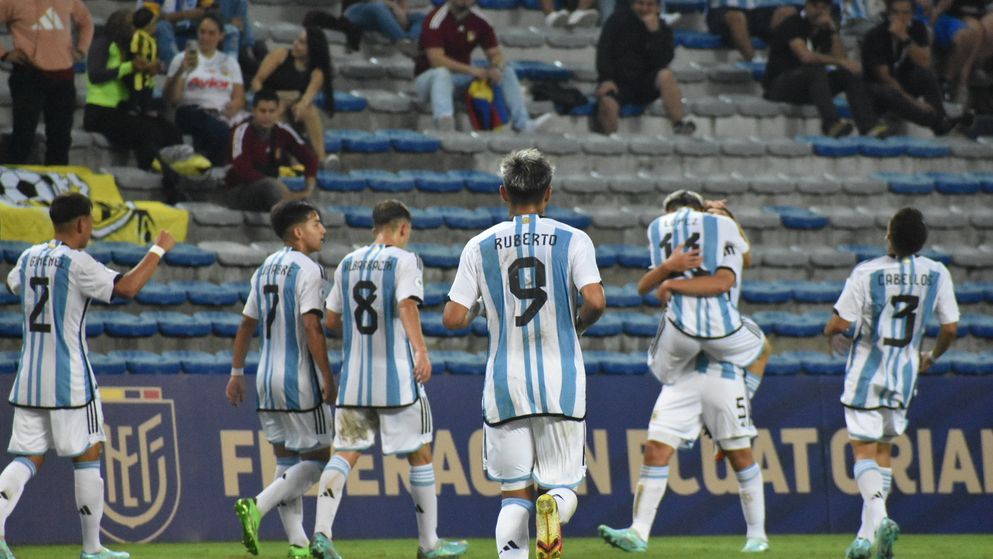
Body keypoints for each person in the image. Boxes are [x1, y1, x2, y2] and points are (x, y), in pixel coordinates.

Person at [442, 149, 606, 559]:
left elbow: (453, 317)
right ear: (548, 193)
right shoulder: (573, 239)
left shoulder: (479, 246)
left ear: (503, 193)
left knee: (513, 494)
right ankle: (553, 507)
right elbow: (596, 300)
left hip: (505, 385)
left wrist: (484, 307)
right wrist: (576, 325)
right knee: (560, 487)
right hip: (561, 382)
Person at [0, 192, 175, 559]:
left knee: (27, 458)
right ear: (82, 223)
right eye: (91, 221)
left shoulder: (29, 256)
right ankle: (92, 548)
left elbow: (11, 284)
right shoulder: (77, 263)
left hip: (29, 379)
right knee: (87, 454)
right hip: (71, 381)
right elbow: (127, 287)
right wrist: (158, 250)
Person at [598, 195, 770, 554]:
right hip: (683, 373)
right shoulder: (674, 251)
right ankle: (638, 533)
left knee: (740, 453)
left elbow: (739, 264)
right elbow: (644, 286)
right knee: (657, 448)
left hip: (721, 368)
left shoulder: (720, 241)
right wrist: (669, 269)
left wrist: (728, 218)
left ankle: (757, 535)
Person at [309, 200, 469, 559]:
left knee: (344, 453)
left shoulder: (347, 263)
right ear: (402, 229)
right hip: (398, 379)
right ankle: (429, 544)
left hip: (354, 382)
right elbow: (407, 305)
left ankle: (320, 533)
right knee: (420, 453)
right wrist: (421, 351)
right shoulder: (405, 259)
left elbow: (331, 321)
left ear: (374, 227)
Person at [823, 207, 959, 559]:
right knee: (882, 452)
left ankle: (881, 518)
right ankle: (865, 540)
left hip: (867, 375)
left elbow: (838, 324)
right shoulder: (936, 272)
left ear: (889, 236)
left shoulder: (867, 273)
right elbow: (951, 328)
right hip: (904, 376)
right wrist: (932, 356)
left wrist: (832, 333)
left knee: (863, 451)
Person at [227, 200, 337, 559]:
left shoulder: (265, 268)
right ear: (297, 232)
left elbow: (246, 324)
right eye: (316, 223)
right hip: (299, 380)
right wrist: (326, 374)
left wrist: (236, 373)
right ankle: (257, 506)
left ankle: (298, 544)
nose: (323, 229)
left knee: (287, 459)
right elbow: (311, 325)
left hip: (265, 379)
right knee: (321, 457)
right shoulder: (310, 269)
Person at [414, 0, 552, 132]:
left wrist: (496, 69)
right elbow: (436, 60)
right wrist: (473, 71)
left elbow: (496, 55)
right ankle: (444, 122)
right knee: (441, 73)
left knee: (506, 70)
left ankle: (522, 124)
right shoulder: (435, 19)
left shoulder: (480, 21)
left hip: (461, 80)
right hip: (428, 80)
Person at [763, 0, 887, 137]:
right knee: (815, 69)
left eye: (824, 7)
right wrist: (840, 61)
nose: (819, 11)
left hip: (807, 87)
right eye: (815, 6)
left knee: (848, 73)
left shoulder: (824, 29)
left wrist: (833, 31)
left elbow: (842, 59)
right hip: (779, 86)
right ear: (807, 6)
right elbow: (805, 56)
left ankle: (868, 126)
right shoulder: (793, 23)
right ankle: (831, 124)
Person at [84, 9, 184, 171]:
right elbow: (95, 75)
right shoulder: (103, 43)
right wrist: (130, 67)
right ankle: (154, 170)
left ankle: (178, 169)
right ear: (119, 26)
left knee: (169, 129)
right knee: (148, 132)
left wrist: (149, 74)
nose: (135, 29)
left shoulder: (129, 50)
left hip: (121, 109)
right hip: (99, 111)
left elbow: (136, 88)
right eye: (131, 24)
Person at [0, 0, 93, 166]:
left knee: (61, 139)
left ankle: (57, 186)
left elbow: (86, 21)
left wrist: (81, 49)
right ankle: (11, 184)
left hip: (63, 77)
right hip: (28, 75)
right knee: (23, 136)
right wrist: (4, 55)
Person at [595, 0, 696, 135]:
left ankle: (678, 124)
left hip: (645, 82)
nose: (644, 8)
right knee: (607, 103)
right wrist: (606, 78)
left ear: (657, 8)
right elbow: (604, 51)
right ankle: (610, 141)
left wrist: (654, 33)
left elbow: (663, 60)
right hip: (619, 83)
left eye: (649, 5)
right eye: (640, 4)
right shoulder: (616, 21)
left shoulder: (662, 28)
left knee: (666, 76)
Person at [862, 0, 961, 135]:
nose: (900, 17)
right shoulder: (875, 35)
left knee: (926, 75)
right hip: (878, 89)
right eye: (895, 13)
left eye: (905, 13)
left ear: (912, 14)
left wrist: (904, 38)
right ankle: (934, 119)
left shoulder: (918, 28)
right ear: (888, 13)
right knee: (892, 94)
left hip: (902, 82)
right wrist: (914, 103)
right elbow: (885, 78)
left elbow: (925, 61)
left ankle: (939, 122)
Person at [165, 13, 246, 165]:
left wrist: (235, 105)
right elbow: (173, 99)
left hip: (222, 113)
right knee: (219, 130)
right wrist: (182, 71)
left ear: (221, 36)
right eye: (202, 32)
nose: (205, 37)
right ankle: (213, 168)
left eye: (211, 33)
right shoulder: (181, 59)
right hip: (192, 111)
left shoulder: (230, 62)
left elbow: (239, 97)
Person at [251, 27, 336, 166]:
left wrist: (300, 105)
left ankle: (322, 158)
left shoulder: (317, 71)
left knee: (309, 109)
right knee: (278, 109)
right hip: (270, 105)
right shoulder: (281, 54)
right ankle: (293, 161)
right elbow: (257, 81)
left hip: (295, 112)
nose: (295, 44)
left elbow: (308, 96)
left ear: (313, 49)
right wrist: (269, 101)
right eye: (297, 40)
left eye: (302, 43)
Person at [222, 89, 318, 212]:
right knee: (271, 187)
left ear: (278, 112)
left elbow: (309, 158)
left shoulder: (283, 131)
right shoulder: (242, 131)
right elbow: (242, 168)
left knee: (307, 205)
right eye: (262, 111)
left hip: (272, 190)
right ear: (254, 111)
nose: (267, 116)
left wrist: (309, 187)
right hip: (239, 190)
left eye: (271, 111)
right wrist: (278, 187)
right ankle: (285, 226)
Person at [705, 0, 797, 62]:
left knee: (787, 12)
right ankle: (752, 60)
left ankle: (773, 61)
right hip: (721, 9)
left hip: (754, 10)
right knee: (736, 18)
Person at [344, 0, 426, 55]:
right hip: (358, 10)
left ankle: (411, 41)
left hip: (386, 15)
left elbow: (403, 8)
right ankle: (402, 40)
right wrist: (393, 6)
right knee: (378, 7)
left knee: (420, 17)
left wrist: (402, 15)